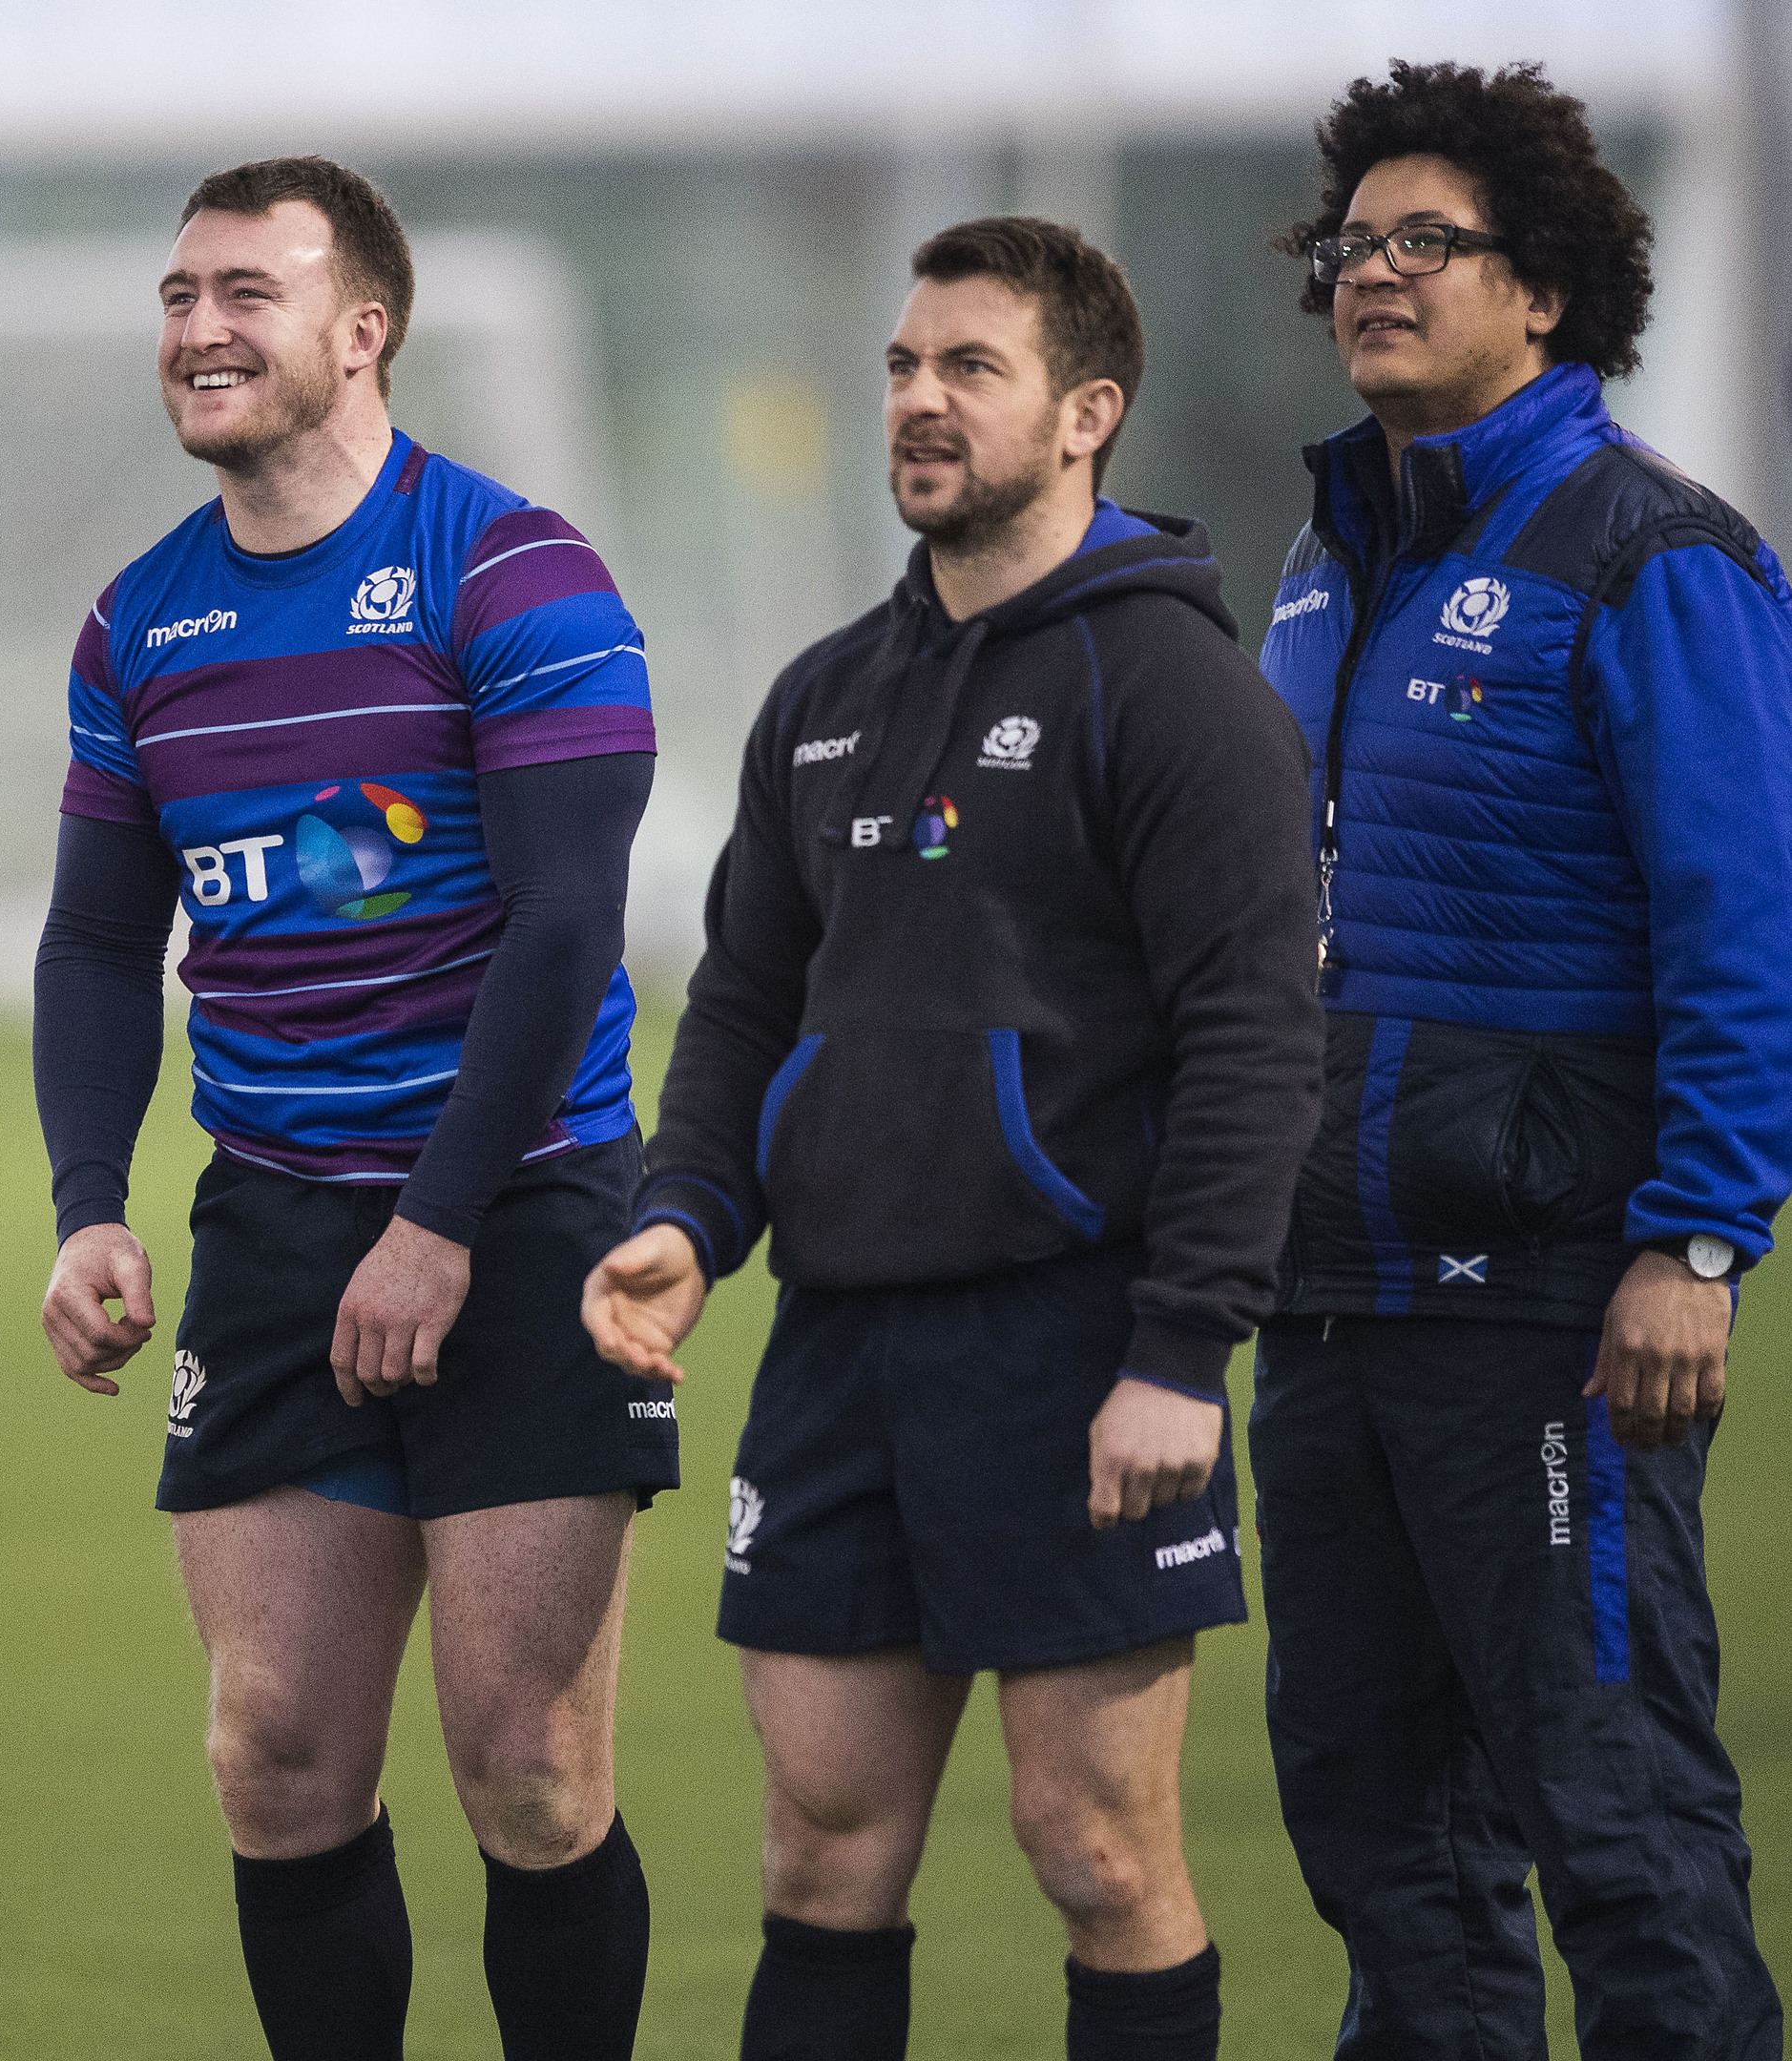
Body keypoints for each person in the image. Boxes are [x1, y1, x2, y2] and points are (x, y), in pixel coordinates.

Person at [582, 218, 1323, 2061]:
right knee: (822, 1848)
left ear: (1086, 413)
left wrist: (1178, 1351)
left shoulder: (1171, 693)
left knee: (1095, 1849)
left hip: (1074, 1352)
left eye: (966, 368)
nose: (917, 400)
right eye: (904, 366)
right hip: (837, 1351)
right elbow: (747, 1003)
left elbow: (1255, 1035)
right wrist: (688, 1213)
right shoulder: (825, 700)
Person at [32, 156, 674, 2061]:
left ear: (359, 330)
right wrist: (86, 1201)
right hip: (279, 1225)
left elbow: (566, 926)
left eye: (245, 291)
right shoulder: (137, 625)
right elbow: (91, 953)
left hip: (528, 1211)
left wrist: (441, 1222)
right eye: (175, 296)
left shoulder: (512, 569)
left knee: (532, 1768)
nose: (198, 329)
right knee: (274, 1758)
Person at [1249, 58, 1792, 2057]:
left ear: (1541, 288)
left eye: (1423, 244)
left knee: (1618, 1828)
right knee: (1379, 1848)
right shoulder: (1323, 559)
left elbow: (1744, 923)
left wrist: (1697, 1241)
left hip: (1550, 1307)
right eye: (1348, 244)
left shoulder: (1651, 555)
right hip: (1322, 1299)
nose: (1368, 275)